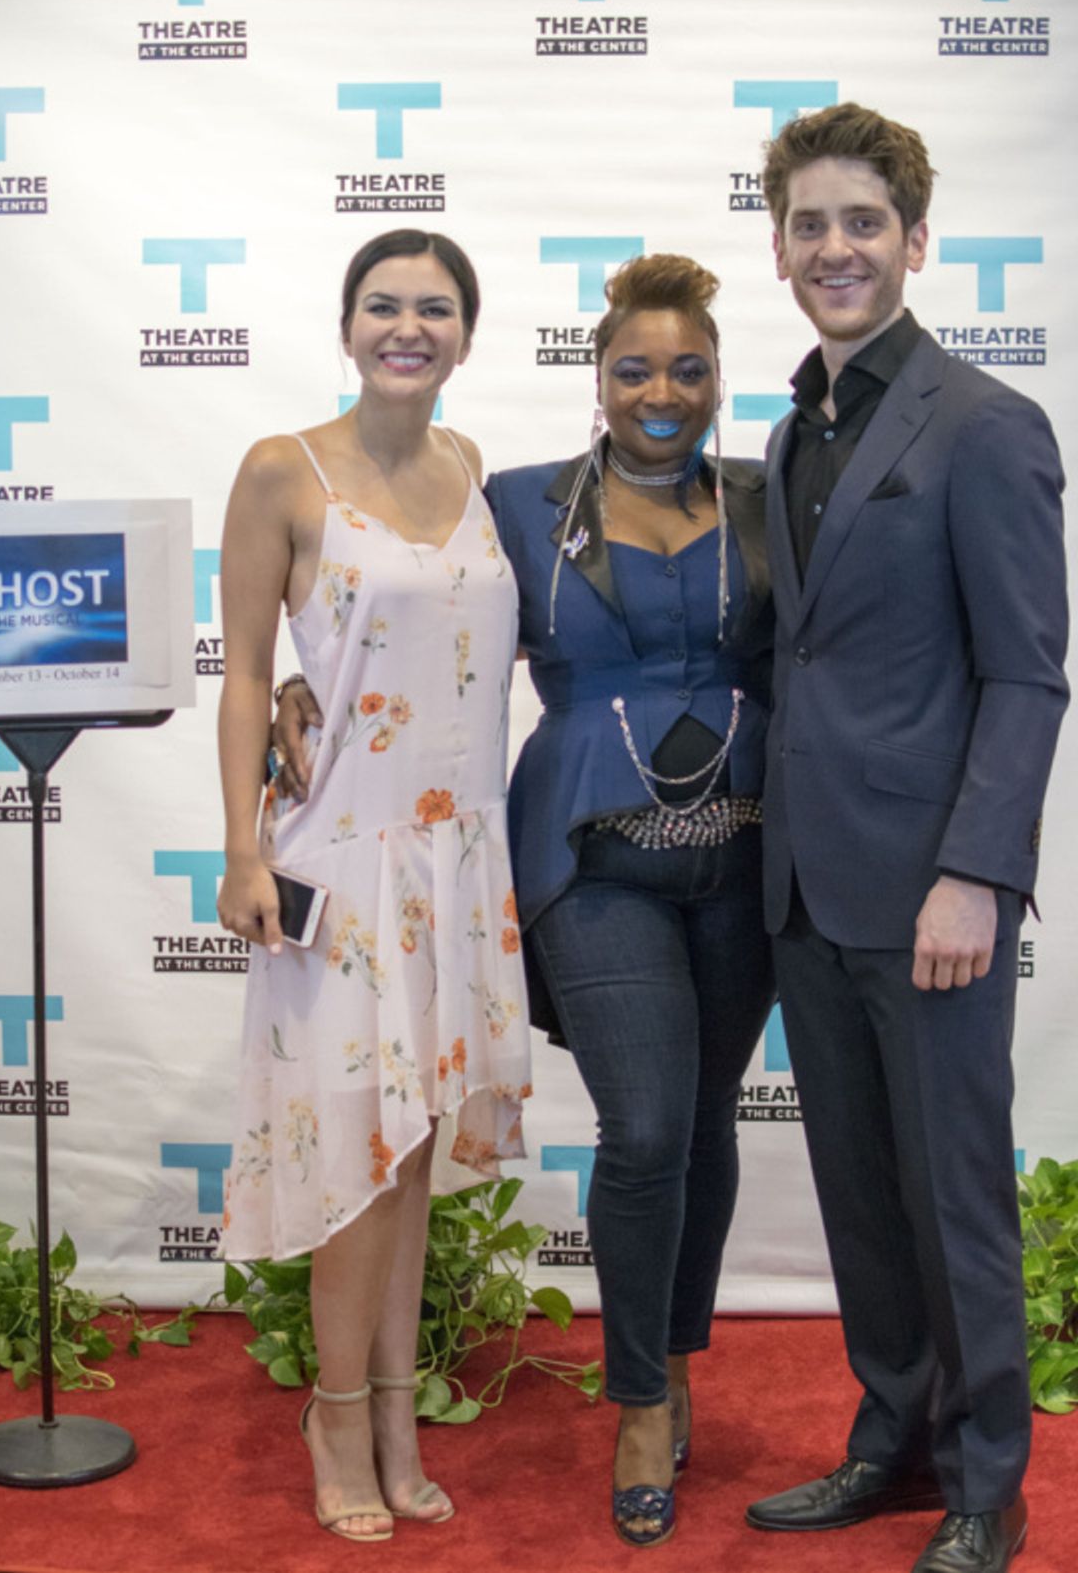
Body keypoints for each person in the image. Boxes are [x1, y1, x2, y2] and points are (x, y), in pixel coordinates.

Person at [744, 104, 1068, 1573]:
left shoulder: (988, 427)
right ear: (780, 248)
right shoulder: (788, 430)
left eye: (862, 222)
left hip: (933, 891)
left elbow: (1026, 674)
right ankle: (894, 1440)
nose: (836, 247)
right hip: (807, 889)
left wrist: (977, 874)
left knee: (954, 1200)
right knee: (864, 1199)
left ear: (915, 241)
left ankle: (989, 1481)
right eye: (810, 224)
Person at [215, 228, 531, 1543]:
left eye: (436, 308)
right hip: (342, 863)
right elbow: (247, 671)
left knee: (407, 1161)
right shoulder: (281, 469)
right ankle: (336, 1414)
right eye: (385, 305)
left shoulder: (477, 469)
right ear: (347, 327)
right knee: (355, 1156)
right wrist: (241, 847)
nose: (410, 326)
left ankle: (397, 1414)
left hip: (461, 865)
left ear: (466, 335)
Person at [489, 255, 774, 1547]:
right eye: (636, 369)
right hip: (594, 857)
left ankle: (677, 1352)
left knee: (706, 1121)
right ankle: (642, 1400)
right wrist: (295, 686)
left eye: (689, 369)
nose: (663, 392)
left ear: (718, 379)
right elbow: (410, 614)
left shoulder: (768, 501)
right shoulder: (521, 505)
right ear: (597, 378)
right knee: (648, 1124)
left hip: (747, 860)